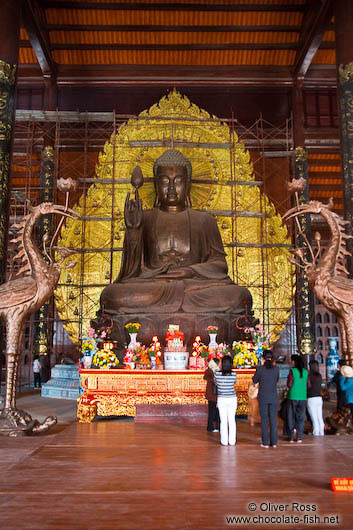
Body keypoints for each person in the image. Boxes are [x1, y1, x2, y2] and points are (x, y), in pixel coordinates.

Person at [100, 150, 252, 336]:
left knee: (239, 296)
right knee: (112, 295)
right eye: (164, 181)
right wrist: (133, 231)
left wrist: (190, 271)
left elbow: (220, 265)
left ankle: (156, 321)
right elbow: (130, 272)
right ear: (156, 185)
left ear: (188, 185)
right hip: (155, 287)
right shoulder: (144, 218)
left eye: (178, 181)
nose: (171, 188)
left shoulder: (204, 220)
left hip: (193, 288)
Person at [252, 350, 279, 448]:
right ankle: (274, 442)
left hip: (263, 397)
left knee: (264, 420)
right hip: (273, 396)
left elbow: (254, 380)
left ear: (262, 358)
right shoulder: (276, 369)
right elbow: (276, 380)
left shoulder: (260, 369)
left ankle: (265, 442)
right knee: (273, 420)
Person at [214, 355, 237, 446]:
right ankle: (232, 441)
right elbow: (234, 383)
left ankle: (224, 441)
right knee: (231, 420)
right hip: (232, 398)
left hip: (222, 399)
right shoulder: (234, 374)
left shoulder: (217, 374)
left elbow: (216, 383)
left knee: (223, 421)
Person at [286, 354, 310, 443]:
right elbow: (309, 385)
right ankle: (299, 437)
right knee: (300, 417)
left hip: (292, 396)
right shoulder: (305, 372)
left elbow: (289, 384)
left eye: (292, 361)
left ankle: (291, 436)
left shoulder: (292, 371)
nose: (291, 362)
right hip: (302, 397)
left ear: (294, 362)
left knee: (291, 416)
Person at [307, 360, 324, 436]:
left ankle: (316, 435)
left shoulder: (309, 376)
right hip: (319, 398)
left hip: (311, 398)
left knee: (314, 419)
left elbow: (308, 387)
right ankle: (322, 433)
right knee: (320, 417)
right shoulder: (319, 376)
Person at [203, 358, 220, 432]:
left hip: (214, 394)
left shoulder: (213, 370)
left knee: (216, 411)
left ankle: (216, 426)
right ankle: (211, 427)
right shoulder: (210, 371)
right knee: (212, 411)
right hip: (212, 394)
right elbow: (212, 380)